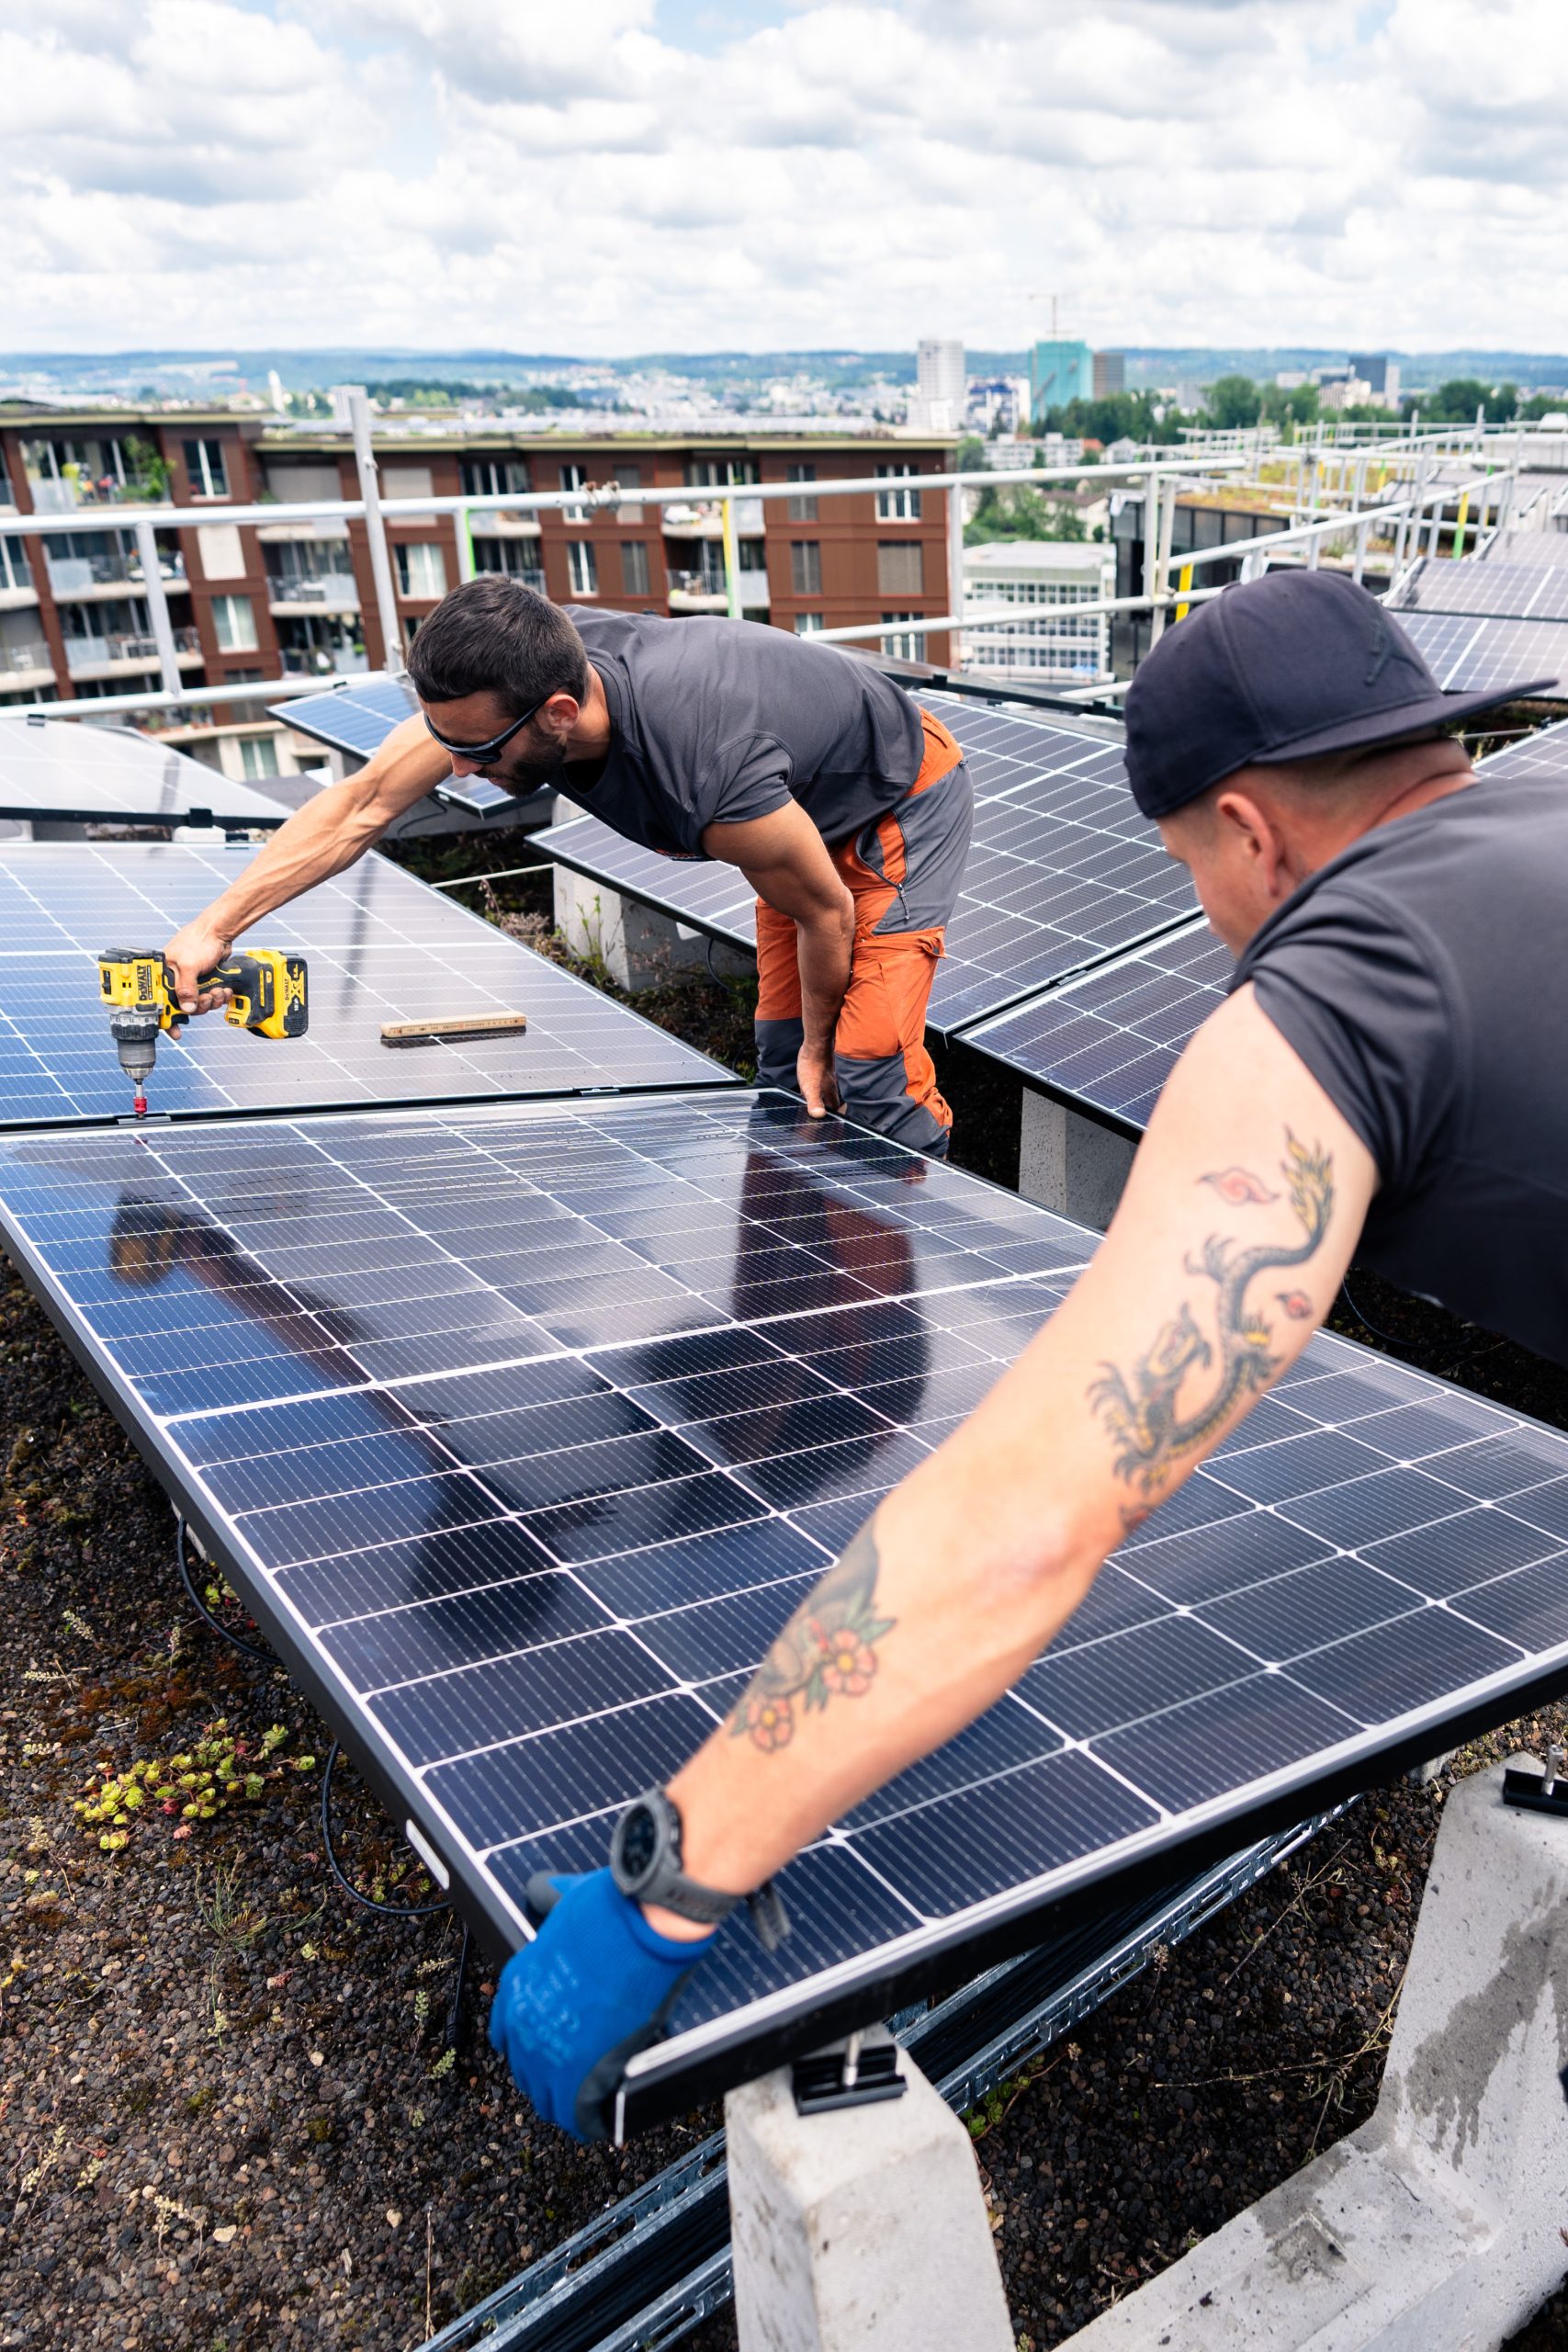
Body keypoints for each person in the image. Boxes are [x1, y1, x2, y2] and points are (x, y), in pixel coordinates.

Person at [485, 568, 1562, 2140]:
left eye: (1186, 866)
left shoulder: (1338, 994)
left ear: (1245, 831)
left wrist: (669, 1878)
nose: (1211, 920)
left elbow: (1032, 1514)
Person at [161, 579, 975, 1158]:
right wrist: (213, 929)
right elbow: (360, 806)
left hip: (889, 803)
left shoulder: (704, 767)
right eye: (446, 742)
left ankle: (924, 1251)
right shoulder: (517, 665)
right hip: (789, 807)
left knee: (864, 1062)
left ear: (559, 713)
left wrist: (822, 1045)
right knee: (780, 1058)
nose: (459, 770)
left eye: (479, 751)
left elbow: (826, 912)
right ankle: (802, 1289)